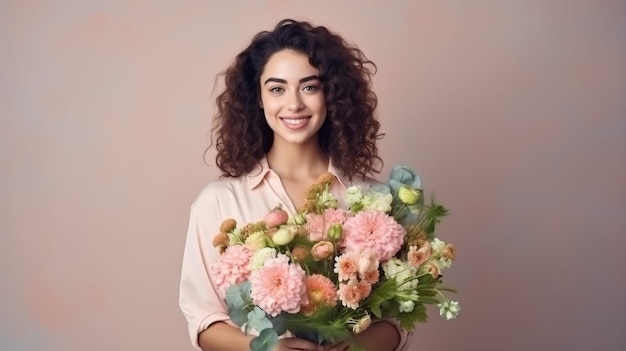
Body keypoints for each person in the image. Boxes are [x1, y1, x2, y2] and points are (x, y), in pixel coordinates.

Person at [179, 19, 411, 351]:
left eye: (309, 87)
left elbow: (399, 319)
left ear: (330, 94)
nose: (294, 104)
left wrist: (356, 347)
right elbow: (203, 321)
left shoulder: (375, 201)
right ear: (258, 98)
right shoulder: (218, 203)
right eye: (277, 88)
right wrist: (264, 348)